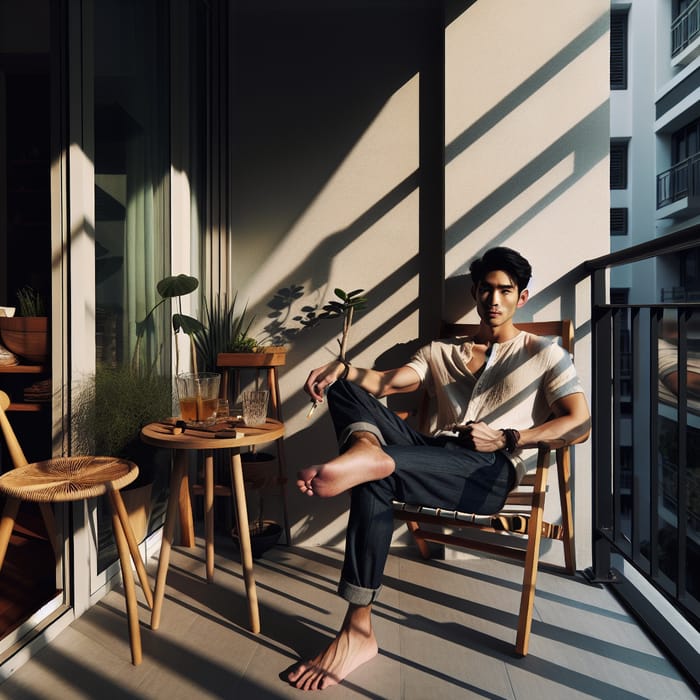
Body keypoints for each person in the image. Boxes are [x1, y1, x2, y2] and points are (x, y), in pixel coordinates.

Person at [286, 247, 590, 691]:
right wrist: (343, 368)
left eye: (505, 291)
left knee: (375, 475)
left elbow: (578, 422)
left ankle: (356, 629)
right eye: (486, 289)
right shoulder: (440, 353)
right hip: (426, 453)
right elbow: (387, 383)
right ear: (474, 293)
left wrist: (508, 438)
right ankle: (368, 453)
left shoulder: (544, 353)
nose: (494, 299)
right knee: (346, 390)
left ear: (521, 297)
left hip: (487, 472)